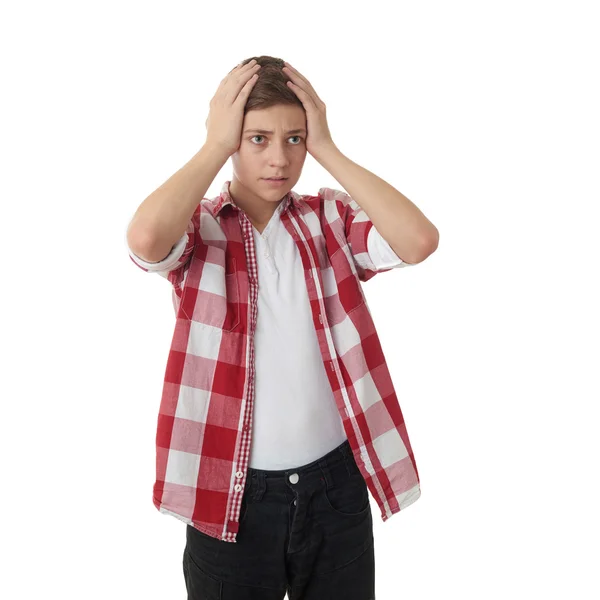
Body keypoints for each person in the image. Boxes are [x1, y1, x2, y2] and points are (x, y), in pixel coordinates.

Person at [125, 55, 439, 600]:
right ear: (231, 141)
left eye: (294, 139)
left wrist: (329, 150)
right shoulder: (200, 228)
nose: (278, 157)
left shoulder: (329, 221)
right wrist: (211, 146)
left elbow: (419, 241)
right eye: (257, 138)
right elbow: (146, 239)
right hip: (231, 495)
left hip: (334, 487)